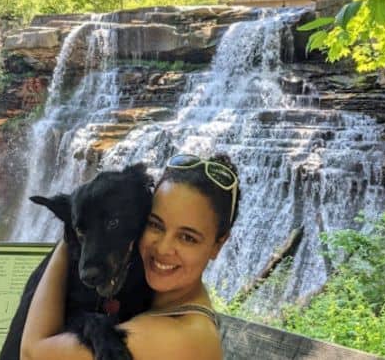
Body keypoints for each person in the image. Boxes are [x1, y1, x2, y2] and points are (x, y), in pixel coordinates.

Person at [21, 153, 241, 360]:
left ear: (218, 244)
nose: (163, 249)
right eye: (155, 225)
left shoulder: (182, 337)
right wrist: (80, 221)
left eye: (188, 237)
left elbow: (31, 353)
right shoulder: (154, 298)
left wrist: (72, 233)